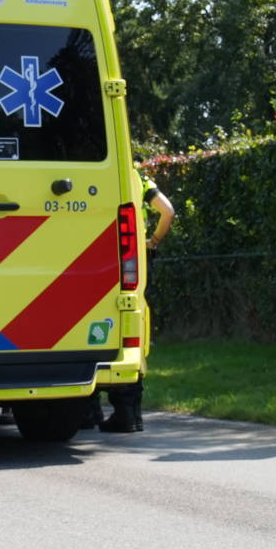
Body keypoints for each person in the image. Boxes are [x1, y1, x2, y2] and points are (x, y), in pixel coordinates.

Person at [97, 166, 175, 433]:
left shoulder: (101, 172)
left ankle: (88, 410)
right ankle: (130, 413)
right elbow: (168, 211)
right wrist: (151, 242)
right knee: (132, 333)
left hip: (97, 261)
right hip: (134, 263)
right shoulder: (139, 180)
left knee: (92, 326)